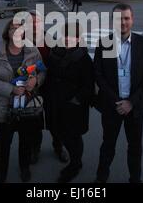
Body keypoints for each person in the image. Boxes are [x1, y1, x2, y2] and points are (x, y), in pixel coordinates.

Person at [93, 3, 143, 183]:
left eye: (127, 18)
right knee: (107, 145)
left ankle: (135, 179)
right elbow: (98, 75)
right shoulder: (104, 44)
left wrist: (131, 102)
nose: (123, 22)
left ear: (132, 20)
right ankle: (100, 179)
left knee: (135, 147)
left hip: (135, 107)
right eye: (119, 18)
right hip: (112, 106)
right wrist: (117, 101)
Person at [0, 20, 45, 183]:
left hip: (26, 105)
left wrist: (35, 81)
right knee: (3, 144)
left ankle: (24, 168)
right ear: (7, 32)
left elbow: (42, 72)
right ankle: (0, 174)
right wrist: (10, 89)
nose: (16, 31)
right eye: (13, 28)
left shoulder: (32, 51)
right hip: (5, 106)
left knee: (25, 141)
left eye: (19, 29)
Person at [44, 22, 95, 183]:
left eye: (72, 36)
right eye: (65, 35)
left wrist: (74, 101)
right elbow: (49, 76)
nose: (67, 39)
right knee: (56, 129)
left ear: (79, 38)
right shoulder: (55, 53)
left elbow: (88, 86)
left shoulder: (83, 58)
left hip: (73, 107)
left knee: (73, 137)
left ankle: (75, 163)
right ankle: (58, 148)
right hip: (54, 102)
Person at [28, 10, 69, 165]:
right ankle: (35, 148)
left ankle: (58, 146)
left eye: (36, 22)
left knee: (54, 120)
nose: (34, 25)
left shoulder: (49, 39)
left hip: (50, 86)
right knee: (35, 121)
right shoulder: (20, 40)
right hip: (31, 88)